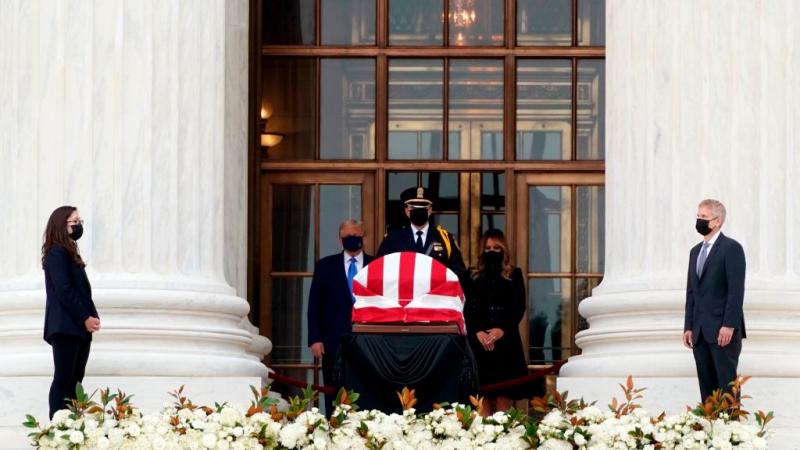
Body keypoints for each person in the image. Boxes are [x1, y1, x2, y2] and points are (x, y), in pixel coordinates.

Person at [307, 219, 374, 415]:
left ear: (365, 237)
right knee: (334, 391)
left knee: (366, 388)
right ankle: (335, 429)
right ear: (340, 239)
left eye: (357, 236)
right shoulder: (325, 266)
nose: (352, 240)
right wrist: (315, 339)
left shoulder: (376, 265)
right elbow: (314, 305)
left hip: (368, 340)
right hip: (332, 340)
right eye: (347, 237)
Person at [683, 199, 746, 402]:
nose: (699, 220)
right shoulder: (695, 252)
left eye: (703, 217)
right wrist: (688, 326)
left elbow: (736, 291)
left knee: (727, 388)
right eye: (698, 216)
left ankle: (730, 432)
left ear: (717, 221)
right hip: (699, 332)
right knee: (707, 389)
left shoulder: (731, 248)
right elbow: (692, 292)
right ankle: (711, 431)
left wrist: (729, 325)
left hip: (723, 332)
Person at [41, 206, 100, 419]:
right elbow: (63, 289)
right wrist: (84, 318)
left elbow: (82, 291)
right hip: (66, 326)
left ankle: (72, 423)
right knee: (64, 378)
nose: (79, 226)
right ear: (61, 225)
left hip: (78, 327)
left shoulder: (69, 251)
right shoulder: (57, 252)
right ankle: (57, 426)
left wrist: (92, 316)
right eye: (74, 222)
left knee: (75, 380)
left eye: (79, 221)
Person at [464, 229, 528, 415]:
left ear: (503, 249)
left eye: (496, 248)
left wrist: (502, 330)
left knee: (503, 399)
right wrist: (478, 332)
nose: (492, 251)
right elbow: (467, 307)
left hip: (505, 343)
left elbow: (518, 307)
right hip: (479, 343)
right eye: (488, 248)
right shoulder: (471, 275)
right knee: (480, 398)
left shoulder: (514, 274)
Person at [377, 186, 466, 277]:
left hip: (435, 290)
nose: (419, 212)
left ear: (429, 211)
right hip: (405, 290)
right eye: (414, 209)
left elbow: (459, 271)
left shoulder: (445, 239)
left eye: (423, 209)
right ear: (407, 211)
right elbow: (379, 269)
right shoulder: (393, 238)